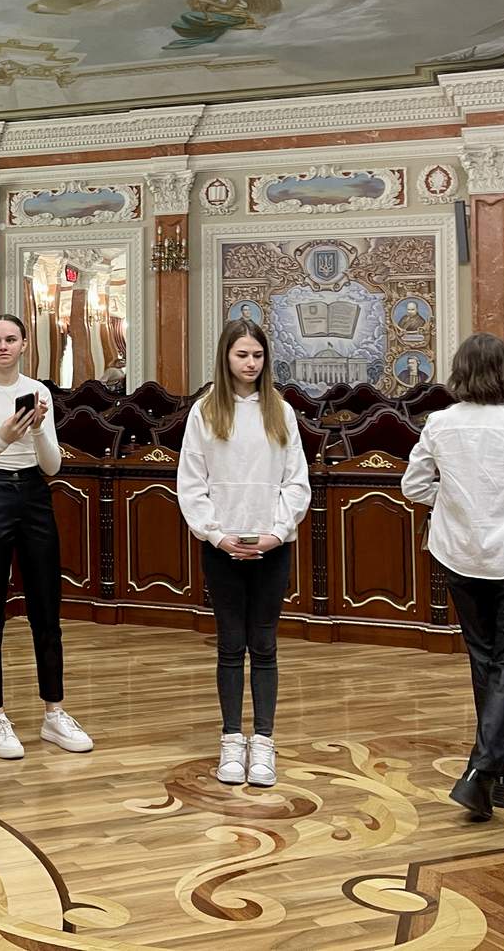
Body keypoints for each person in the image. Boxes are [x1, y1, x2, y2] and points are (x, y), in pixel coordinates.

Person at [401, 333, 504, 821]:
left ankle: (499, 777)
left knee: (484, 659)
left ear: (461, 373)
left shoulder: (439, 424)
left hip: (460, 555)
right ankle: (481, 770)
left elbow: (413, 486)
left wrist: (451, 500)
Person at [0, 314, 92, 760]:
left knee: (46, 610)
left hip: (34, 494)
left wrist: (37, 429)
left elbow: (52, 465)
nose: (3, 347)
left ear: (25, 344)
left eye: (11, 339)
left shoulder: (38, 392)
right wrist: (1, 438)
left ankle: (54, 712)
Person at [175, 318, 311, 788]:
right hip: (222, 546)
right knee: (231, 646)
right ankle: (232, 738)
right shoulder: (205, 412)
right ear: (226, 357)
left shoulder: (280, 411)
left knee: (265, 645)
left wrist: (278, 532)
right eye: (242, 355)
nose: (250, 363)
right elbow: (192, 482)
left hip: (271, 545)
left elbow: (296, 481)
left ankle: (264, 741)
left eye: (257, 355)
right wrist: (215, 535)